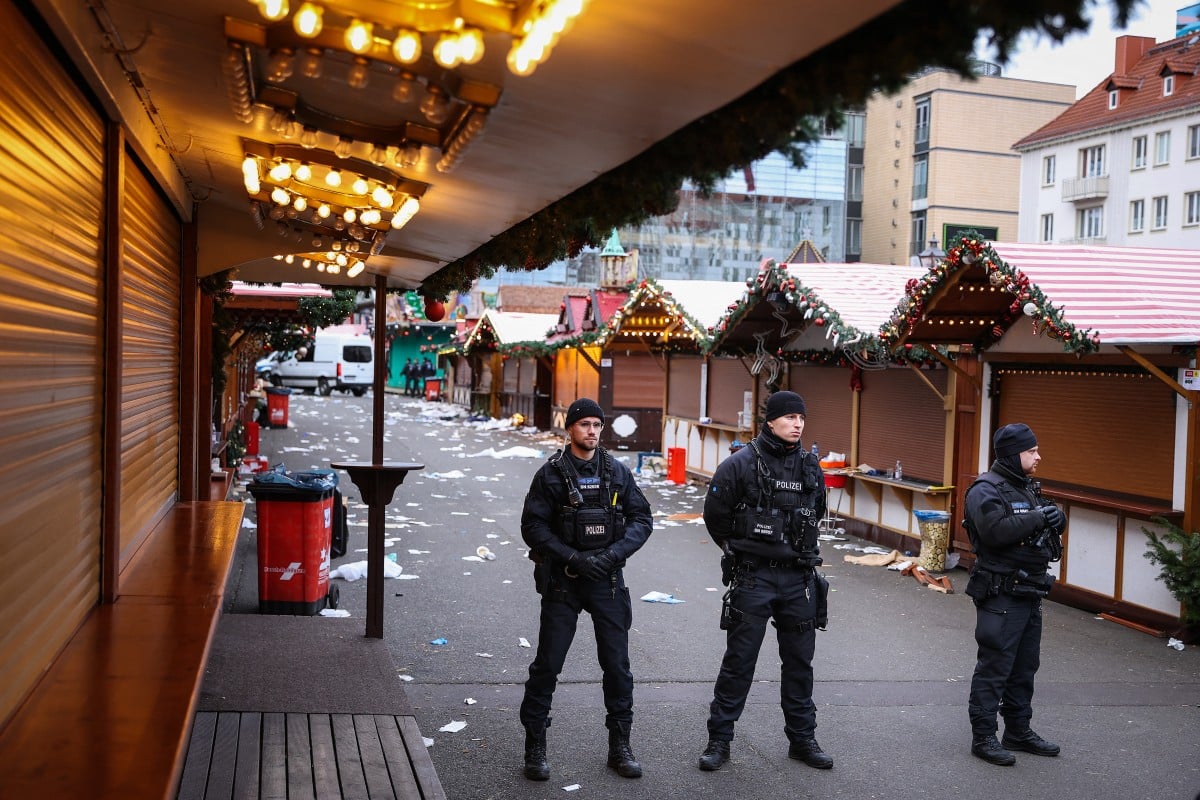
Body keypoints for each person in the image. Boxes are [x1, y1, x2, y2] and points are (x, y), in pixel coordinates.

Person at [518, 398, 654, 781]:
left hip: (607, 581)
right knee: (547, 665)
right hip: (564, 581)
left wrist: (611, 556)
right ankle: (535, 746)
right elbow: (533, 528)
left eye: (597, 424)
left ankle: (620, 746)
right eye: (584, 425)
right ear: (570, 429)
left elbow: (642, 519)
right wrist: (573, 558)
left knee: (617, 667)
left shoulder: (617, 472)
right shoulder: (550, 475)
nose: (592, 431)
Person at [697, 390, 832, 772]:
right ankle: (718, 742)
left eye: (801, 418)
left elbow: (815, 512)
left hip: (797, 580)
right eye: (789, 417)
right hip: (754, 577)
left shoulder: (810, 466)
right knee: (739, 663)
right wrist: (739, 550)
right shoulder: (739, 464)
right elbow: (716, 517)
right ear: (771, 421)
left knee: (799, 665)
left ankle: (803, 740)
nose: (797, 424)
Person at [963, 423, 1066, 766]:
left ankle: (1018, 731)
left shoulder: (1025, 488)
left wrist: (1056, 518)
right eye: (1031, 451)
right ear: (1013, 454)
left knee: (1024, 667)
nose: (1039, 456)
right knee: (995, 665)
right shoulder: (984, 490)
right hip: (1001, 592)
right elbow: (994, 532)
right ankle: (984, 737)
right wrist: (1038, 518)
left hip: (1029, 591)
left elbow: (1040, 523)